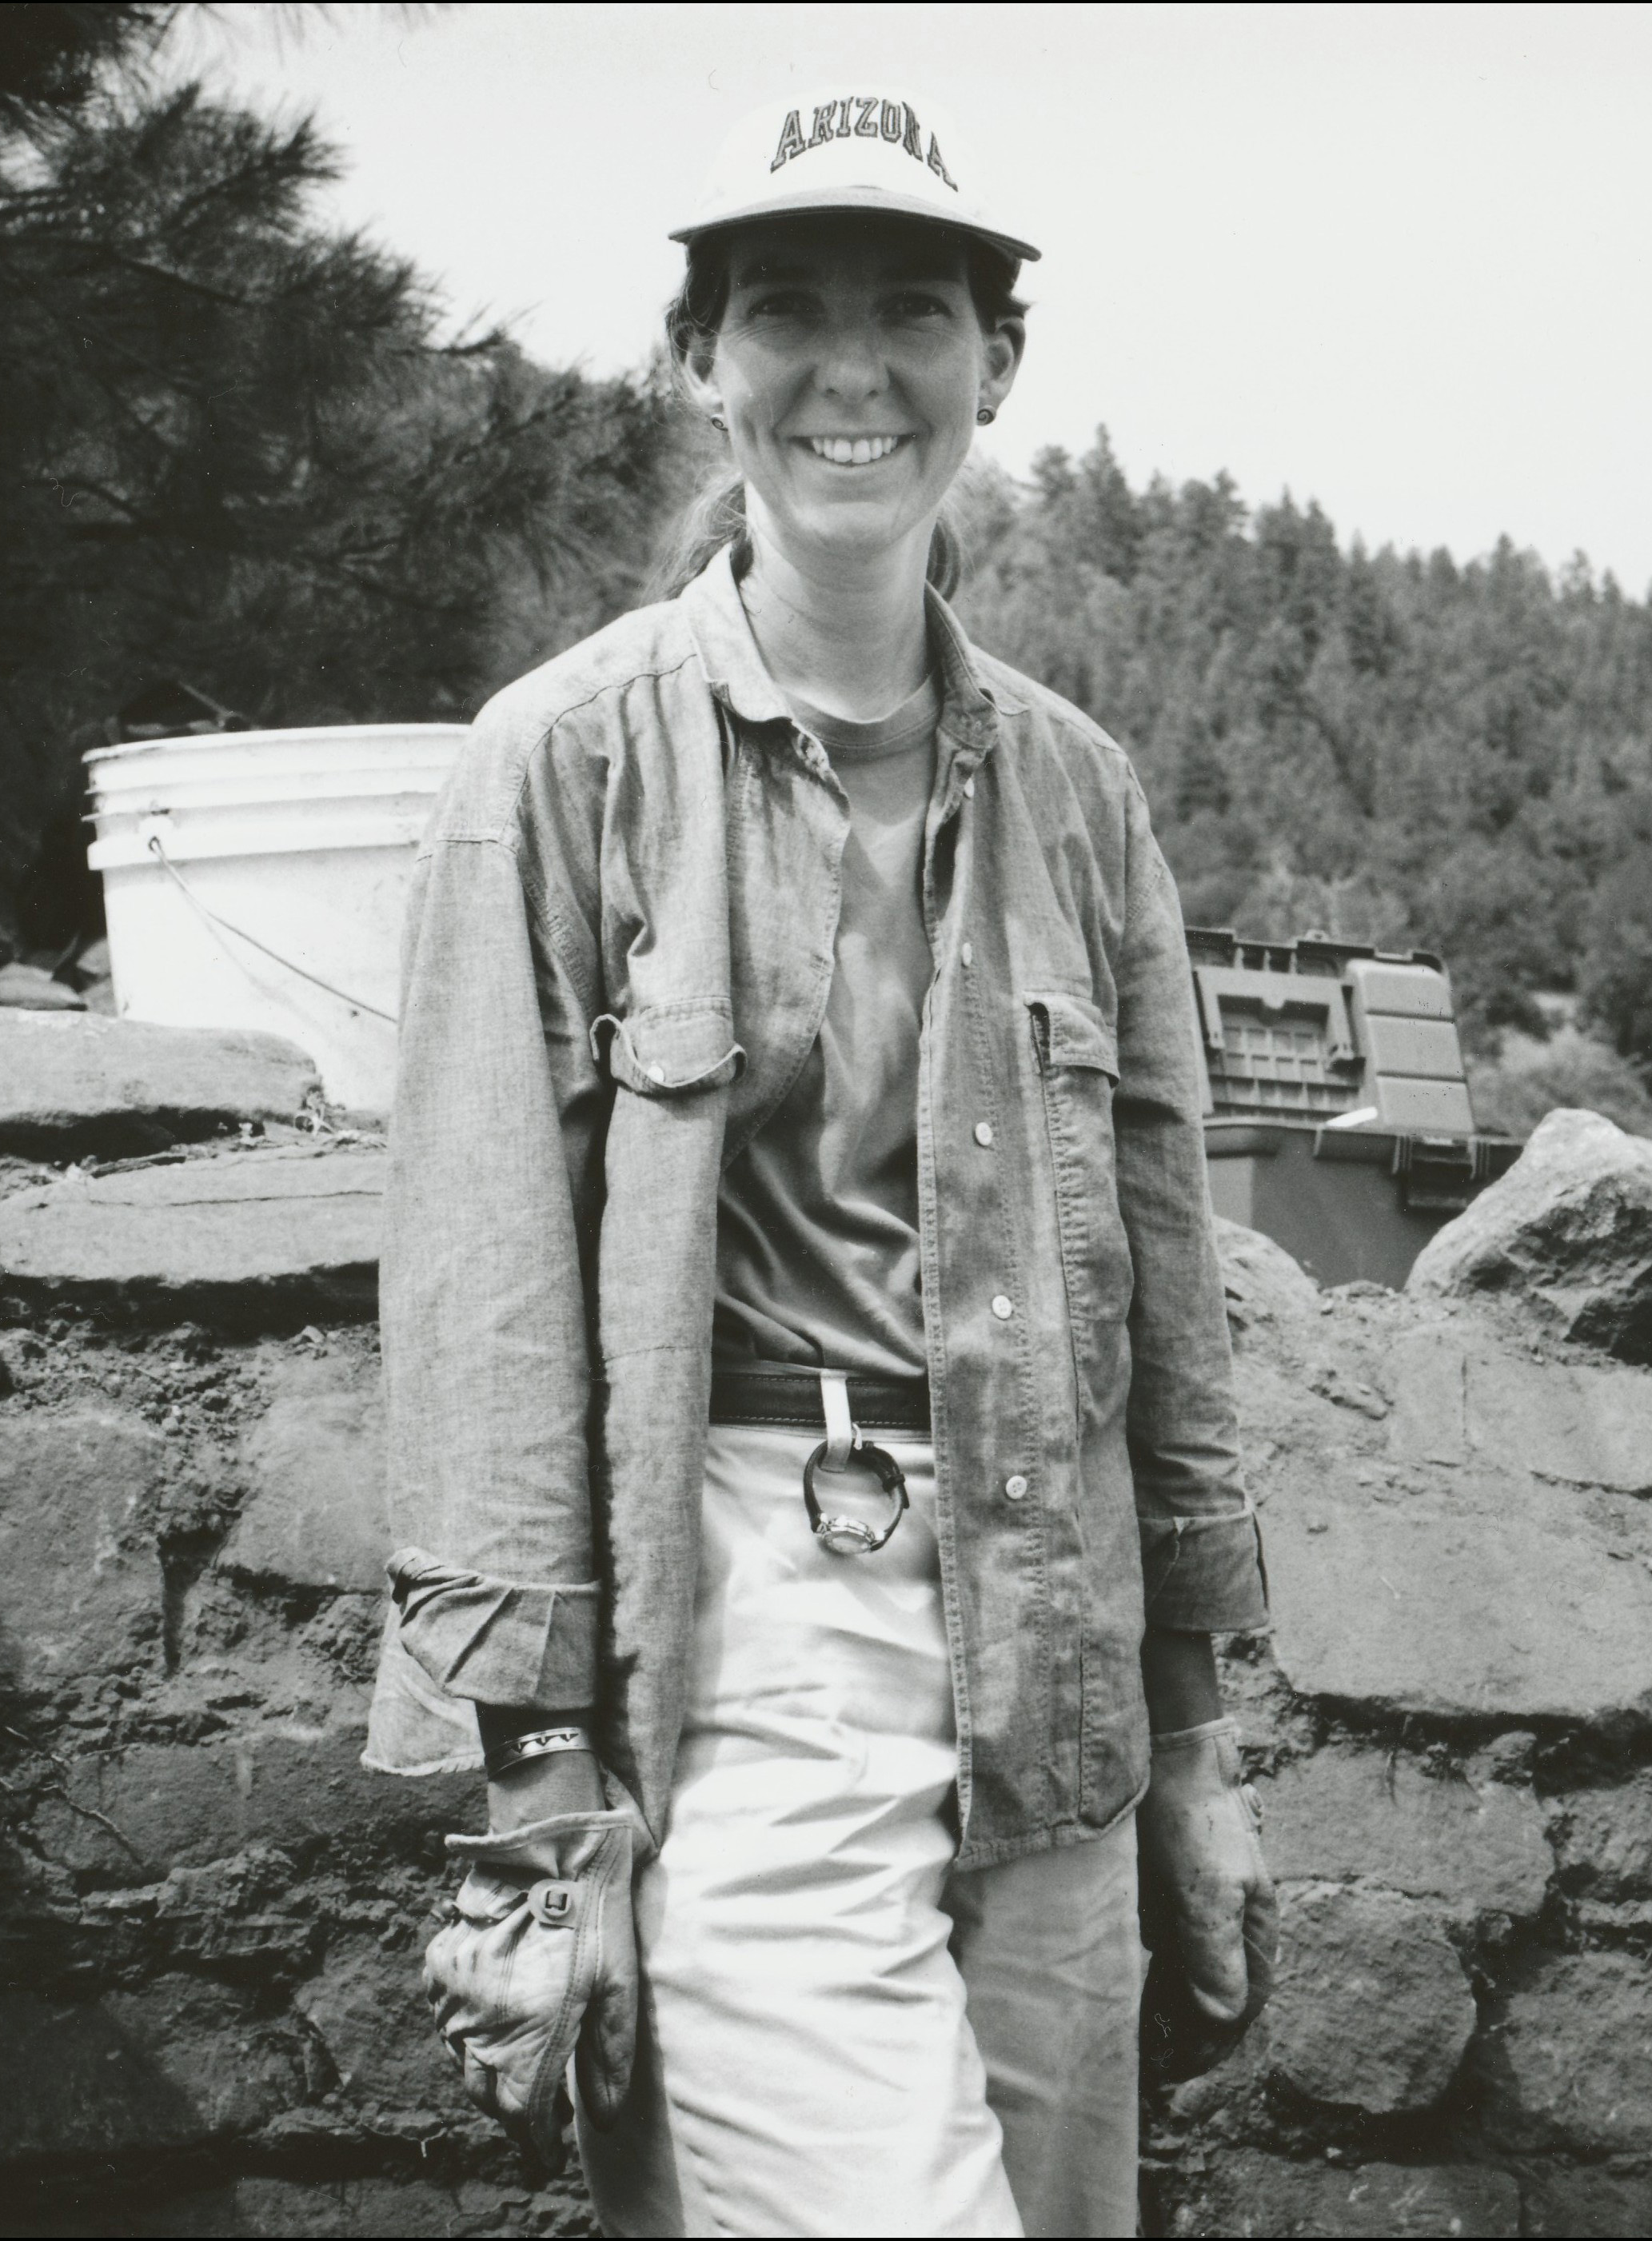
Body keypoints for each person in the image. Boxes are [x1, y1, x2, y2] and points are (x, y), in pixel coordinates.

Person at [381, 85, 1275, 2239]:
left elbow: (1165, 1286)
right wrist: (540, 1783)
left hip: (1048, 1634)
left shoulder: (1080, 793)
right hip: (751, 1628)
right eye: (786, 309)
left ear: (998, 366)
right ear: (705, 357)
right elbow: (487, 1291)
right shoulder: (563, 763)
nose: (849, 371)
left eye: (914, 311)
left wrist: (1193, 1743)